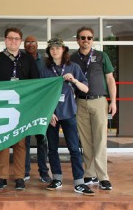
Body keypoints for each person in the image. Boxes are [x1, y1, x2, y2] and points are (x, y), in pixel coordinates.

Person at [0, 27, 39, 190]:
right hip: (0, 107)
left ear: (20, 41)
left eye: (16, 39)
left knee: (21, 143)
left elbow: (35, 84)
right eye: (10, 38)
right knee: (3, 143)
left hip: (21, 107)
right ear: (5, 40)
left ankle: (20, 177)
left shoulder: (28, 60)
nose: (13, 41)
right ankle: (2, 177)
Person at [41, 37, 94, 196]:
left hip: (69, 112)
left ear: (63, 49)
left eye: (58, 48)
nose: (55, 51)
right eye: (51, 48)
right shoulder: (45, 69)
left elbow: (85, 89)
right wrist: (48, 113)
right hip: (52, 114)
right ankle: (56, 178)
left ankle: (79, 181)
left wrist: (74, 80)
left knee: (74, 148)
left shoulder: (73, 67)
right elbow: (42, 95)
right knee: (52, 148)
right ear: (49, 51)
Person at [70, 27, 117, 190]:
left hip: (99, 101)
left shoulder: (101, 56)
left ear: (93, 40)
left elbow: (110, 79)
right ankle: (89, 174)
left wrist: (113, 101)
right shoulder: (72, 58)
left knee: (100, 139)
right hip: (80, 102)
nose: (86, 40)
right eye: (82, 37)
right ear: (77, 39)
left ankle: (103, 176)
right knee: (86, 140)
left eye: (89, 38)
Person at [23, 36, 51, 183]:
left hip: (41, 105)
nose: (30, 44)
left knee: (42, 139)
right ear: (24, 45)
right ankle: (25, 171)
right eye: (27, 42)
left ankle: (44, 172)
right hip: (26, 105)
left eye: (33, 41)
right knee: (25, 139)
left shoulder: (45, 62)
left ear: (37, 44)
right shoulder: (20, 59)